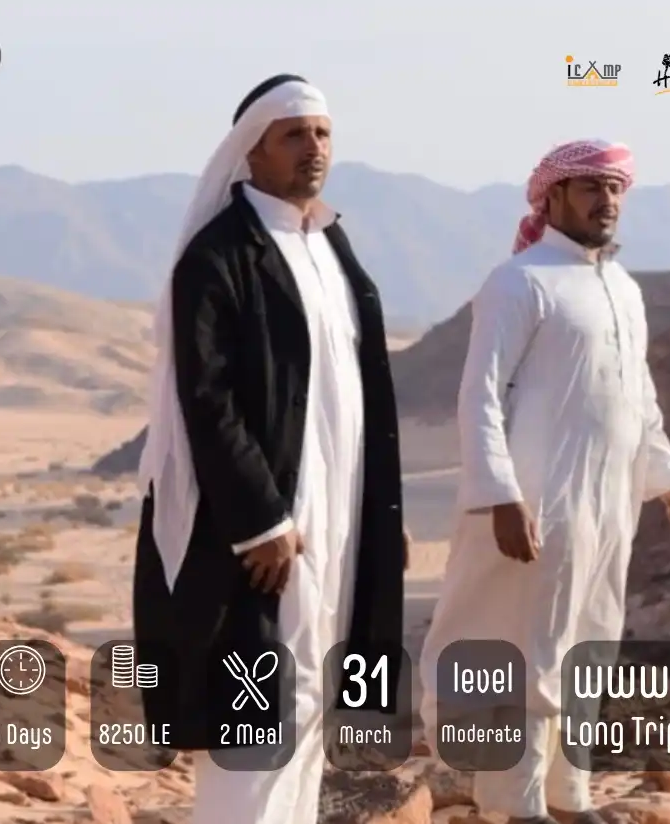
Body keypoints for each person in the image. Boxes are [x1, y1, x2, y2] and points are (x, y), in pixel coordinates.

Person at [132, 74, 408, 824]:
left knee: (315, 696)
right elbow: (206, 397)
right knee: (251, 712)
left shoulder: (330, 243)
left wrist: (376, 516)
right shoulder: (218, 258)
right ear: (249, 150)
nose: (313, 149)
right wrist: (260, 519)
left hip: (339, 515)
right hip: (259, 533)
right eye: (294, 135)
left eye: (322, 134)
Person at [418, 139, 670, 824]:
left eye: (614, 189)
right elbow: (478, 395)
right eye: (588, 189)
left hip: (608, 506)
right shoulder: (520, 282)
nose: (605, 202)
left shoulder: (623, 289)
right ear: (551, 199)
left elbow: (639, 397)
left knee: (589, 647)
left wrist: (667, 476)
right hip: (539, 506)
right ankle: (516, 806)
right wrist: (500, 496)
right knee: (532, 651)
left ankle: (567, 797)